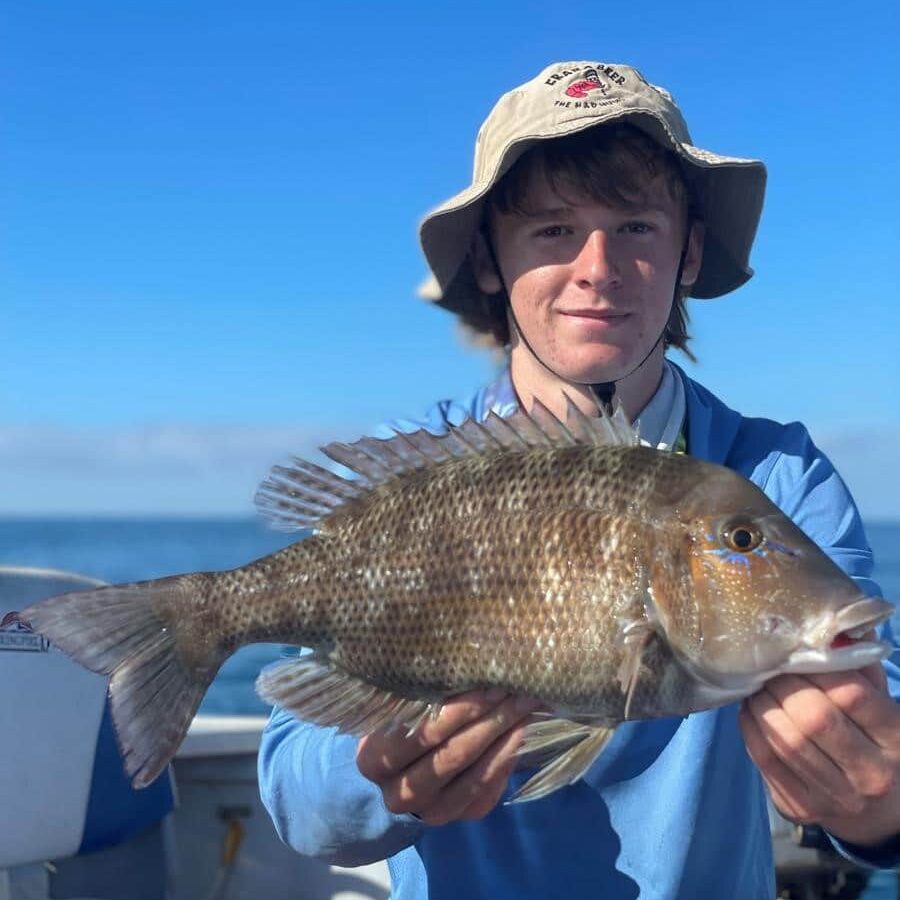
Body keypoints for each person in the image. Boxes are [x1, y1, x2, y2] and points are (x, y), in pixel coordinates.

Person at [258, 60, 900, 898]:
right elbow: (300, 801)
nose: (597, 267)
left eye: (635, 226)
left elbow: (874, 695)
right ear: (490, 260)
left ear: (689, 250)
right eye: (553, 230)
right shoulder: (409, 475)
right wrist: (375, 771)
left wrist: (878, 808)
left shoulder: (776, 475)